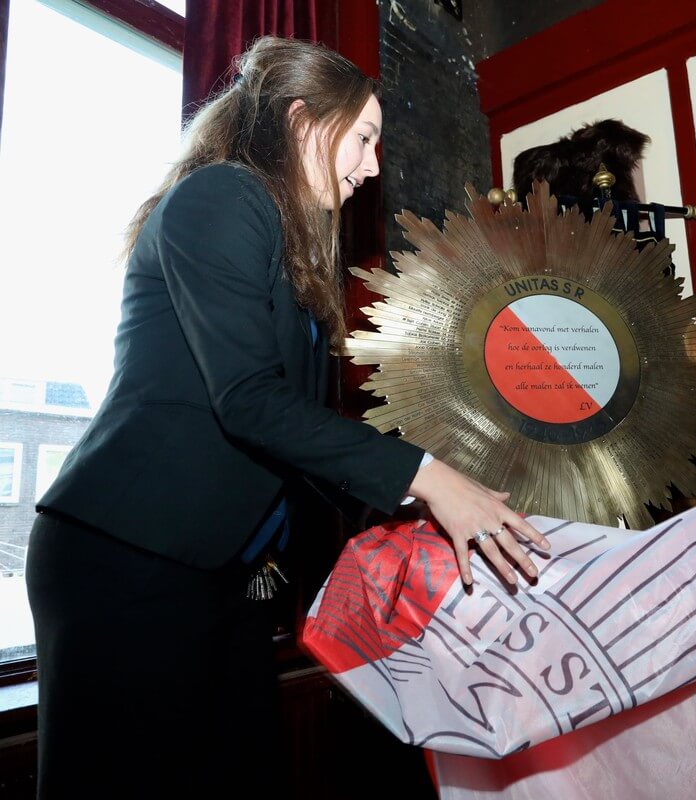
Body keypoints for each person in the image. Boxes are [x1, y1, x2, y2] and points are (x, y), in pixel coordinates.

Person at [26, 36, 548, 799]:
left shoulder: (291, 243)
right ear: (303, 122)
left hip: (215, 572)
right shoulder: (222, 195)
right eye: (364, 137)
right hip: (125, 555)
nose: (372, 167)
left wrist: (415, 509)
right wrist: (429, 479)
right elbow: (248, 401)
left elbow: (301, 435)